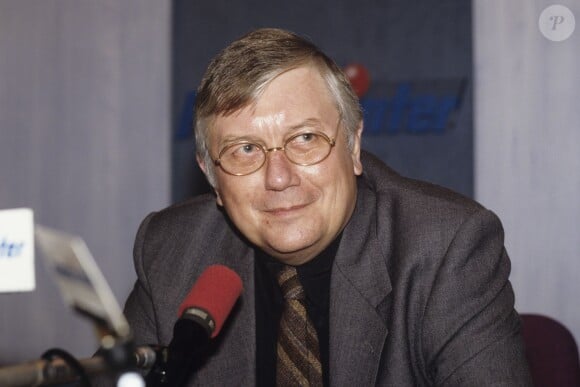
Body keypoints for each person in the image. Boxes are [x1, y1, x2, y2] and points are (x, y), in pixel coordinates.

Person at [122, 28, 532, 386]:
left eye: (304, 139)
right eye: (245, 149)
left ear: (353, 146)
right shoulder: (169, 252)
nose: (278, 178)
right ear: (212, 174)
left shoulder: (445, 248)